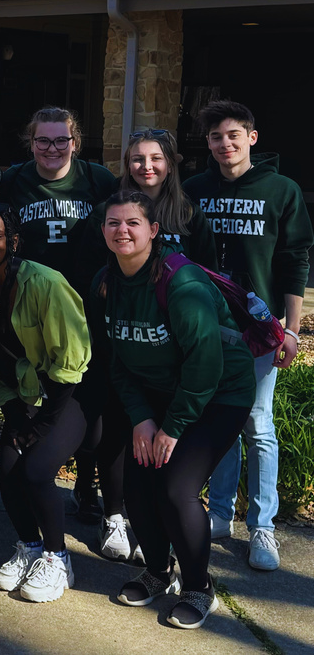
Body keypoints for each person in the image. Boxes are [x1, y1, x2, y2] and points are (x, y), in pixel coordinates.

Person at [93, 190, 255, 629]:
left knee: (176, 488)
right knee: (138, 481)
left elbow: (206, 364)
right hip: (159, 392)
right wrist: (143, 419)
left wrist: (173, 427)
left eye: (132, 223)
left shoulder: (181, 283)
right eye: (113, 223)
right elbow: (117, 362)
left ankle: (200, 588)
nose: (121, 230)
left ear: (153, 231)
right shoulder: (105, 281)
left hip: (220, 393)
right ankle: (158, 572)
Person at [184, 100, 313, 571]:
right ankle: (220, 515)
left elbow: (295, 261)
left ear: (252, 138)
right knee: (220, 420)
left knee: (257, 423)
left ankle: (263, 525)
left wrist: (292, 329)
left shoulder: (281, 190)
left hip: (260, 328)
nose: (224, 144)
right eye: (216, 137)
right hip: (206, 323)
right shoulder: (195, 189)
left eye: (233, 135)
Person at [76, 128, 216, 561]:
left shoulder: (189, 213)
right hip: (122, 334)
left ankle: (161, 522)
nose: (146, 166)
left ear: (170, 163)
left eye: (155, 158)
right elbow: (89, 269)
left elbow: (209, 275)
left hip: (176, 345)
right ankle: (113, 514)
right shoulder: (108, 210)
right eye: (137, 158)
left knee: (166, 438)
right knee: (118, 423)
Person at [0, 203, 91, 603]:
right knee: (9, 464)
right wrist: (17, 416)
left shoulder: (45, 283)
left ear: (13, 241)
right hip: (26, 395)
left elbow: (71, 364)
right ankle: (29, 547)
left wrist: (40, 426)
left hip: (72, 394)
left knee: (36, 469)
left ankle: (57, 557)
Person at [0, 106, 116, 524]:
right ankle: (36, 467)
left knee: (89, 400)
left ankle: (86, 486)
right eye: (42, 140)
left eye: (60, 140)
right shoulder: (14, 180)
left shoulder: (97, 179)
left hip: (87, 303)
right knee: (41, 385)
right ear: (31, 143)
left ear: (75, 143)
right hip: (34, 306)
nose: (51, 148)